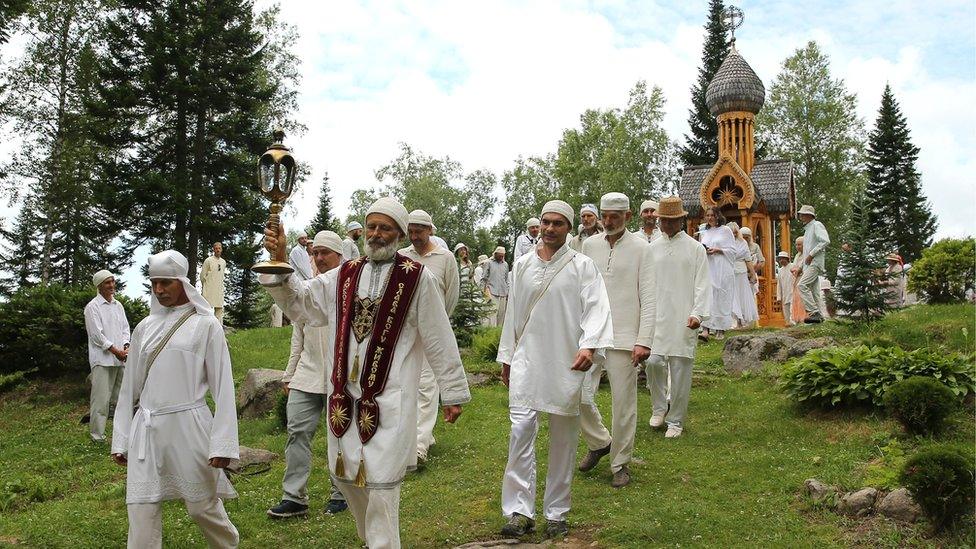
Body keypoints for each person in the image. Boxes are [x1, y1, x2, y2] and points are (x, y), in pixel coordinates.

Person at [260, 197, 470, 549]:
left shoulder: (417, 279)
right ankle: (372, 538)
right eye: (371, 226)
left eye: (385, 228)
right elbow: (304, 304)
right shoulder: (343, 275)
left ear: (400, 234)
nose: (376, 233)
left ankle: (381, 543)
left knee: (382, 485)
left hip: (390, 397)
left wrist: (452, 391)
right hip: (344, 398)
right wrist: (280, 263)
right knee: (346, 479)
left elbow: (438, 336)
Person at [498, 199, 614, 540]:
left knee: (564, 438)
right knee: (520, 432)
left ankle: (557, 511)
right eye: (546, 222)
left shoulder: (583, 266)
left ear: (568, 227)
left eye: (557, 224)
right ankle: (518, 511)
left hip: (567, 361)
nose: (549, 229)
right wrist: (507, 356)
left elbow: (597, 308)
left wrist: (589, 345)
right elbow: (513, 316)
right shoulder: (521, 265)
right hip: (527, 360)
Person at [111, 250, 239, 549]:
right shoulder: (144, 327)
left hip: (189, 426)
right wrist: (122, 438)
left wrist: (223, 444)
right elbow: (130, 387)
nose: (158, 290)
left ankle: (227, 544)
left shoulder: (207, 325)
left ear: (182, 281)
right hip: (147, 428)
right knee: (140, 510)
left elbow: (223, 389)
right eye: (154, 283)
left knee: (201, 506)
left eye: (166, 282)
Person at [268, 231, 348, 519]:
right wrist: (289, 376)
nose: (320, 258)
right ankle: (294, 497)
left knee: (340, 436)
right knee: (297, 431)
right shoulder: (309, 290)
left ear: (340, 255)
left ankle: (342, 492)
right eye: (316, 253)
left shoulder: (350, 289)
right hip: (308, 374)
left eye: (326, 252)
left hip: (341, 377)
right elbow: (297, 338)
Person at [577, 192, 653, 488]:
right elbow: (582, 290)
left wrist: (644, 339)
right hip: (591, 335)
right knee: (578, 394)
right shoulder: (589, 245)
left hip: (625, 336)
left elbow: (649, 296)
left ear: (628, 217)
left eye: (615, 217)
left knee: (623, 404)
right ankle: (599, 441)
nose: (608, 222)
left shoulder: (641, 248)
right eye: (604, 216)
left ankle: (620, 462)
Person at [644, 196, 711, 438]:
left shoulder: (695, 249)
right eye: (665, 221)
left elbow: (703, 284)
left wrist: (698, 314)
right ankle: (659, 407)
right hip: (657, 317)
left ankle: (676, 420)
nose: (668, 225)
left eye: (673, 221)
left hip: (684, 316)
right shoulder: (650, 249)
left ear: (681, 220)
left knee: (681, 368)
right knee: (652, 362)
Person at [401, 209, 461, 467]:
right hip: (405, 332)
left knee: (427, 387)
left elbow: (452, 296)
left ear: (430, 230)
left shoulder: (445, 258)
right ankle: (414, 435)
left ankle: (419, 446)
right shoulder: (401, 256)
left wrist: (438, 325)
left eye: (419, 231)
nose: (414, 236)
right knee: (407, 386)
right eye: (411, 232)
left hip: (433, 333)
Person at [85, 270, 131, 443]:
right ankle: (97, 437)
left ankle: (125, 436)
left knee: (124, 399)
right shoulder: (93, 307)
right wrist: (116, 351)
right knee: (101, 402)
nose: (111, 285)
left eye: (112, 281)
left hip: (120, 360)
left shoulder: (118, 305)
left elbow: (125, 329)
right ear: (99, 286)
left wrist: (126, 346)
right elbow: (97, 336)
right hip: (102, 361)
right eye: (107, 283)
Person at [698, 206, 737, 340]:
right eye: (707, 215)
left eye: (712, 215)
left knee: (721, 296)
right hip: (709, 266)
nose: (710, 218)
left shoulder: (725, 230)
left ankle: (720, 329)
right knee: (708, 295)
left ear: (717, 216)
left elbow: (733, 251)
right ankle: (705, 329)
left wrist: (718, 250)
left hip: (722, 267)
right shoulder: (704, 231)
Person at [795, 205, 830, 323]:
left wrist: (812, 254)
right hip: (809, 264)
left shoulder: (816, 225)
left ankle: (814, 312)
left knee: (802, 285)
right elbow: (806, 252)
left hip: (815, 262)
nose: (800, 216)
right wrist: (801, 267)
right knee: (815, 292)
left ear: (809, 215)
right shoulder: (808, 230)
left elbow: (825, 241)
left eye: (803, 214)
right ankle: (821, 319)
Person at [728, 223, 758, 328]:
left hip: (741, 273)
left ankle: (741, 321)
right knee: (732, 296)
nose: (734, 233)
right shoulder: (725, 243)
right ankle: (733, 321)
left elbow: (748, 260)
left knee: (741, 296)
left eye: (736, 231)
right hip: (730, 272)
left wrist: (753, 274)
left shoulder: (743, 242)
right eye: (732, 232)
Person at [481, 246, 510, 327]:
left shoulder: (505, 264)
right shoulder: (488, 262)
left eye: (503, 256)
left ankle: (499, 334)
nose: (501, 257)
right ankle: (490, 333)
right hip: (491, 292)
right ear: (495, 254)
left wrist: (508, 292)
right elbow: (484, 278)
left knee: (501, 315)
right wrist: (483, 293)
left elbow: (506, 279)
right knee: (492, 315)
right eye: (500, 256)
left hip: (503, 293)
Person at [200, 242, 228, 324]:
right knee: (206, 308)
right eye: (216, 248)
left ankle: (219, 328)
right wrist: (205, 286)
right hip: (209, 289)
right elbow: (202, 276)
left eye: (219, 248)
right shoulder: (208, 260)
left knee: (219, 309)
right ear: (213, 250)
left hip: (219, 289)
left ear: (221, 249)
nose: (218, 250)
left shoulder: (223, 262)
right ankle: (205, 327)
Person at [790, 237, 808, 324]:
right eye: (796, 244)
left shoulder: (806, 255)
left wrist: (797, 270)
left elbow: (804, 267)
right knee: (796, 299)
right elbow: (794, 266)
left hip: (803, 278)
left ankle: (804, 318)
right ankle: (797, 319)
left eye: (799, 244)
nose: (797, 246)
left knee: (802, 298)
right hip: (796, 279)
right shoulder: (797, 255)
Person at [774, 251, 795, 326]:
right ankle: (787, 322)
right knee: (786, 308)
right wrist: (779, 296)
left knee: (793, 307)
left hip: (793, 290)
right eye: (780, 259)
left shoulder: (793, 266)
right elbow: (779, 284)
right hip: (784, 292)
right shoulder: (780, 270)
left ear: (787, 259)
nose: (781, 261)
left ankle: (793, 322)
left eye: (783, 258)